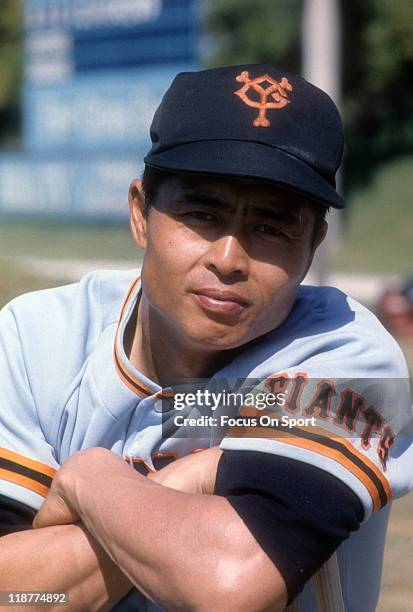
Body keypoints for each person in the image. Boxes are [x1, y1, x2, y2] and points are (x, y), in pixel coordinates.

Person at [1, 64, 412, 611]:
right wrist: (186, 486)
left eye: (270, 227)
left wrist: (92, 477)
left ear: (314, 243)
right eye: (201, 213)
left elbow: (228, 586)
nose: (228, 259)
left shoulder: (350, 354)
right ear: (141, 214)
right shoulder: (37, 339)